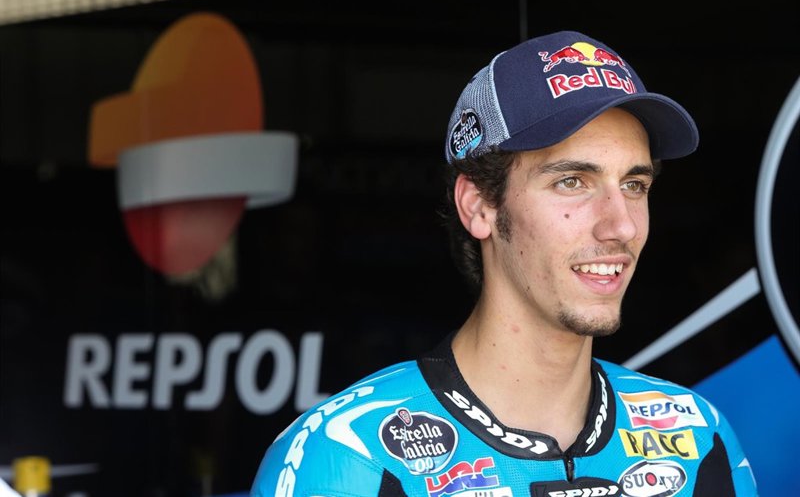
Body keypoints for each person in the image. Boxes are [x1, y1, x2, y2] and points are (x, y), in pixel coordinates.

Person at [250, 30, 758, 496]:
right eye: (572, 182)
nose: (621, 226)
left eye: (634, 185)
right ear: (479, 206)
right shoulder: (351, 454)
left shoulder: (699, 438)